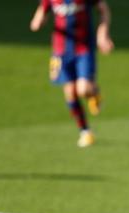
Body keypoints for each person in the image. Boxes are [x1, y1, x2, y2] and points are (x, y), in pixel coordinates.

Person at [30, 0, 114, 148]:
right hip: (61, 51)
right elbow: (41, 12)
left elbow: (104, 10)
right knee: (70, 93)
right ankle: (85, 132)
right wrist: (38, 21)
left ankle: (94, 92)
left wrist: (102, 34)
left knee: (83, 89)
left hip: (83, 48)